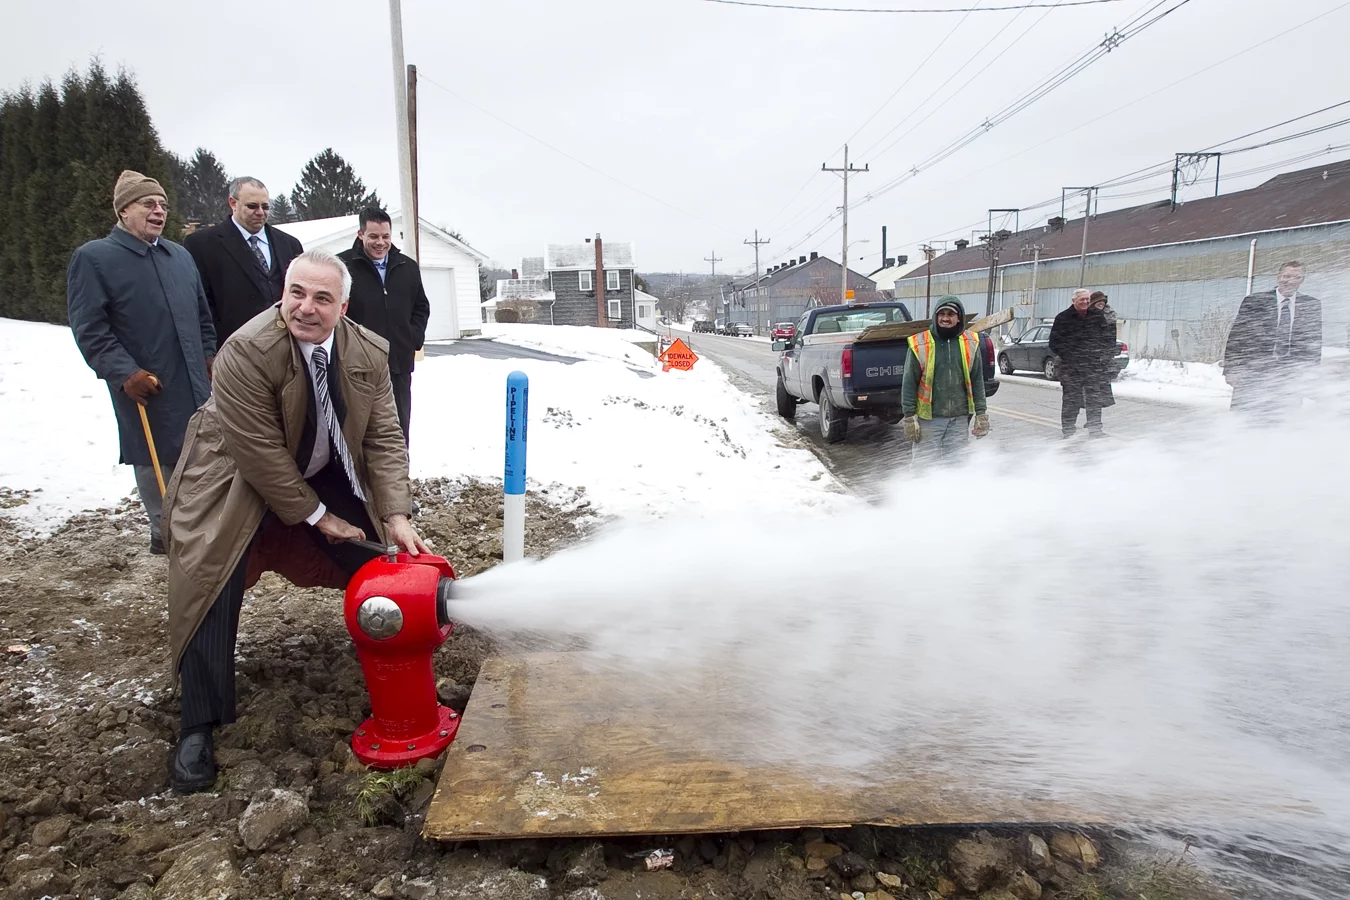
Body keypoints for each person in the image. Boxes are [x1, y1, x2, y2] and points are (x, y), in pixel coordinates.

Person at [162, 248, 428, 792]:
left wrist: (395, 512)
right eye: (296, 294)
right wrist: (316, 516)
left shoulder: (367, 352)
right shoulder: (245, 351)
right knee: (210, 577)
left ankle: (395, 662)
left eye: (321, 299)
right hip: (231, 475)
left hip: (319, 465)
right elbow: (258, 451)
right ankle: (198, 722)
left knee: (382, 558)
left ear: (344, 306)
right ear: (283, 293)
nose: (305, 308)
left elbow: (382, 439)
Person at [67, 170, 216, 555]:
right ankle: (164, 532)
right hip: (146, 384)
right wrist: (124, 373)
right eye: (149, 203)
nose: (159, 211)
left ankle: (201, 528)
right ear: (124, 210)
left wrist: (210, 357)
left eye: (163, 205)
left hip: (194, 379)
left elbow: (203, 317)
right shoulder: (94, 258)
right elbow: (90, 328)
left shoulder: (178, 256)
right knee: (157, 457)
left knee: (200, 453)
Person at [339, 208, 430, 444]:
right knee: (359, 432)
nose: (380, 243)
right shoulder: (342, 266)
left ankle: (399, 479)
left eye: (385, 236)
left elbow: (421, 307)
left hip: (398, 366)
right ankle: (358, 480)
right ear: (361, 234)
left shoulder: (407, 267)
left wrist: (413, 338)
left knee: (398, 430)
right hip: (357, 369)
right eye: (373, 236)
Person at [184, 176, 305, 345]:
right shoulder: (201, 245)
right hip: (234, 347)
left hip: (288, 344)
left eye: (265, 206)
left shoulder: (290, 244)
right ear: (233, 203)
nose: (260, 212)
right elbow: (200, 303)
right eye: (252, 206)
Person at [1223, 260, 1322, 417]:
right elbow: (1237, 336)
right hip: (1253, 372)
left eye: (1297, 277)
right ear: (1278, 277)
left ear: (1302, 280)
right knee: (1244, 419)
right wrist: (1231, 369)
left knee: (1282, 421)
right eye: (1286, 276)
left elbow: (1314, 343)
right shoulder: (1255, 302)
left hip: (1288, 376)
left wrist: (1310, 376)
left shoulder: (1311, 305)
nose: (1290, 281)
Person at [901, 296, 990, 463]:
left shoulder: (970, 342)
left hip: (959, 418)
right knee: (924, 466)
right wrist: (909, 416)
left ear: (959, 318)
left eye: (950, 314)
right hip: (929, 418)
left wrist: (981, 413)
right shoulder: (920, 343)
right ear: (936, 317)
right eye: (941, 314)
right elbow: (909, 382)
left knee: (956, 466)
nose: (945, 318)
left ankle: (952, 490)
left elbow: (977, 380)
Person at [1049, 289, 1116, 437]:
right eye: (1082, 300)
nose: (1085, 302)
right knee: (1071, 400)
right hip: (1070, 368)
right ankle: (1068, 430)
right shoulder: (1063, 318)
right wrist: (1071, 356)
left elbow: (1108, 339)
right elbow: (1054, 343)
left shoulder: (1097, 317)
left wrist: (1104, 356)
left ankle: (1095, 429)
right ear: (1074, 301)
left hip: (1092, 366)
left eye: (1087, 299)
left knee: (1094, 399)